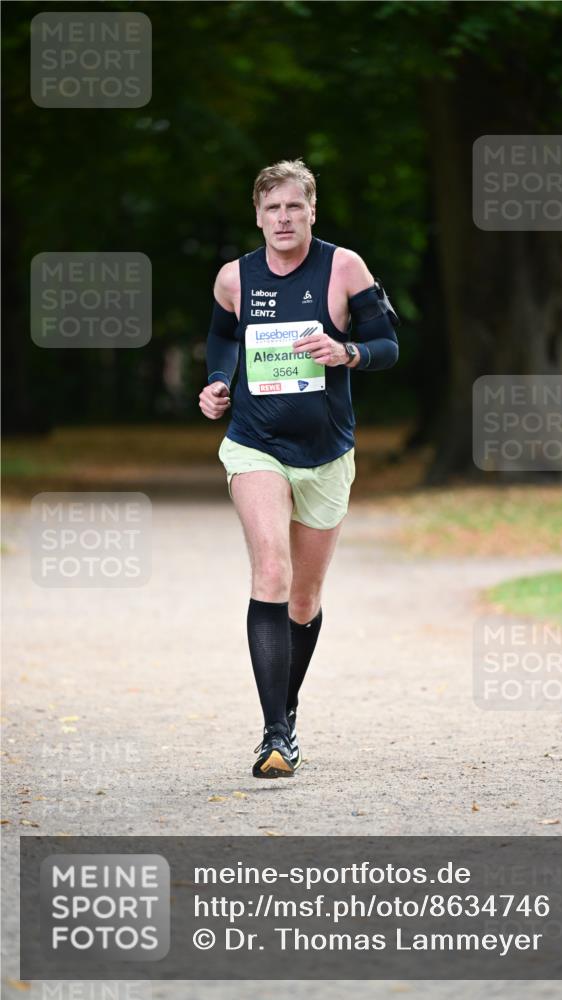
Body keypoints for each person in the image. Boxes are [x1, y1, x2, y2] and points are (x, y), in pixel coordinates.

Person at [198, 159, 399, 777]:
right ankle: (274, 735)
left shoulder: (344, 268)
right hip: (256, 443)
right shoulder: (235, 278)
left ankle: (285, 707)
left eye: (293, 207)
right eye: (271, 209)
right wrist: (214, 385)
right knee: (272, 571)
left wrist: (348, 351)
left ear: (312, 210)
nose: (282, 219)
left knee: (305, 600)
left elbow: (388, 345)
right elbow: (223, 340)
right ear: (256, 217)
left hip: (327, 452)